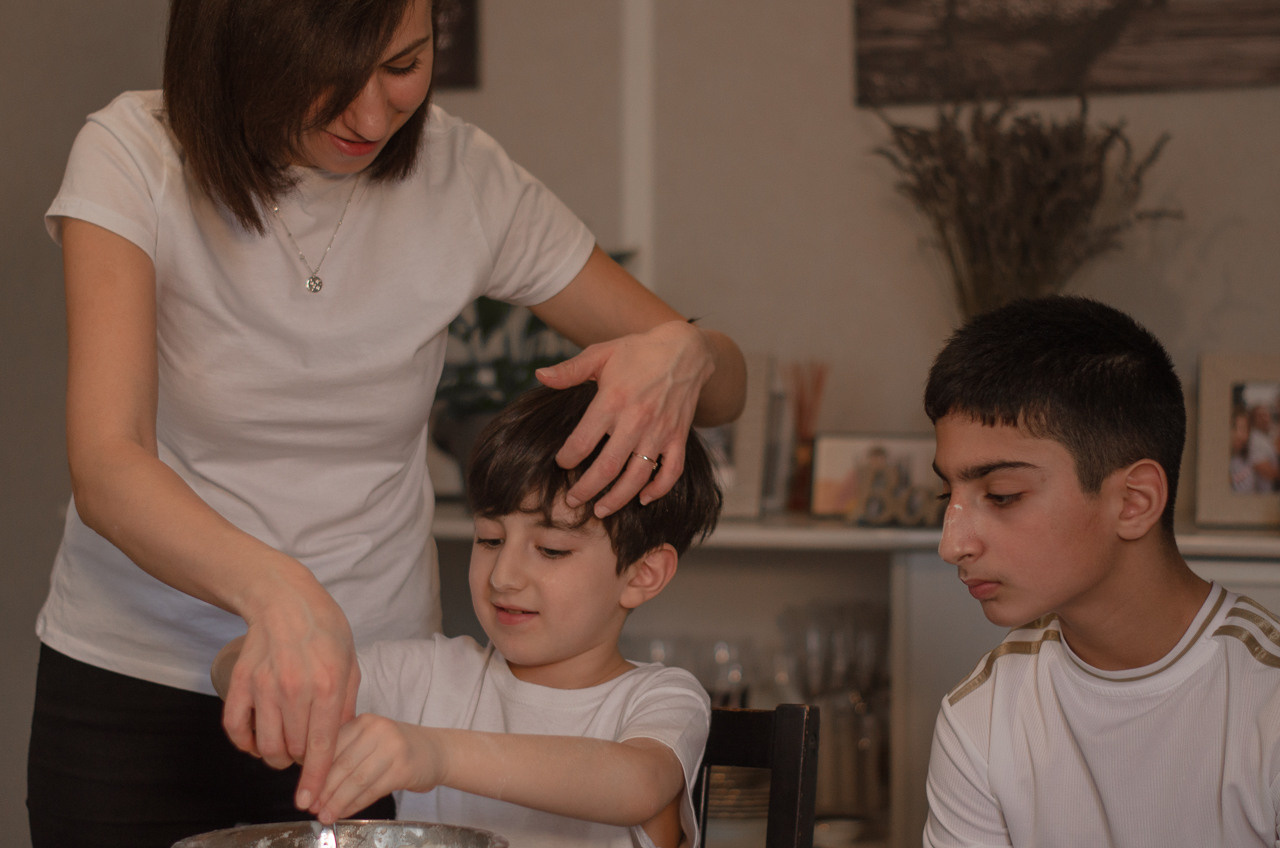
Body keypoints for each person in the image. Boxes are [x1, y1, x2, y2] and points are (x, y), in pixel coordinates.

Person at [29, 0, 746, 844]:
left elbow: (723, 389)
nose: (372, 117)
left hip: (367, 704)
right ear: (241, 52)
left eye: (404, 66)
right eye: (327, 84)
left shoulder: (463, 178)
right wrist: (280, 594)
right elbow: (109, 461)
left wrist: (685, 353)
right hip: (132, 678)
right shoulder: (134, 152)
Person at [213, 382, 722, 847]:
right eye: (490, 539)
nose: (503, 576)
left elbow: (636, 784)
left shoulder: (661, 699)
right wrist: (259, 656)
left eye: (550, 550)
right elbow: (249, 674)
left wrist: (435, 754)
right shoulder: (430, 677)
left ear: (642, 574)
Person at [920, 296, 1280, 847]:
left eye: (1001, 495)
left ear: (1134, 502)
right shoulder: (979, 721)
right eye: (949, 494)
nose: (952, 544)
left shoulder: (1267, 706)